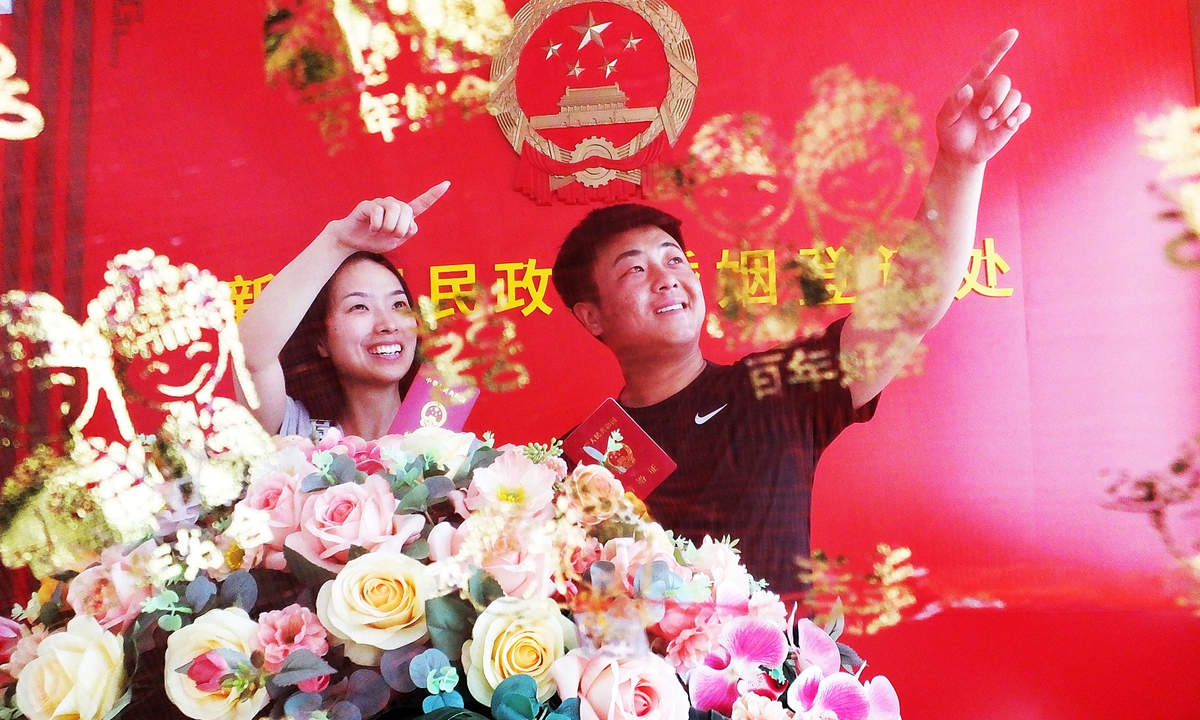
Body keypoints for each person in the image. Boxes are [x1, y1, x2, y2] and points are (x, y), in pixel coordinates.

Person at [552, 31, 1030, 598]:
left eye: (675, 259)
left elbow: (909, 307)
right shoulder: (579, 459)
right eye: (634, 270)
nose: (667, 279)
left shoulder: (777, 389)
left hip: (774, 682)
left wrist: (958, 163)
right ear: (592, 317)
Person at [237, 182, 449, 440]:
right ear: (321, 341)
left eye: (398, 305)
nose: (388, 325)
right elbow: (251, 359)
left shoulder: (444, 439)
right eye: (360, 307)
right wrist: (336, 242)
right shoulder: (294, 429)